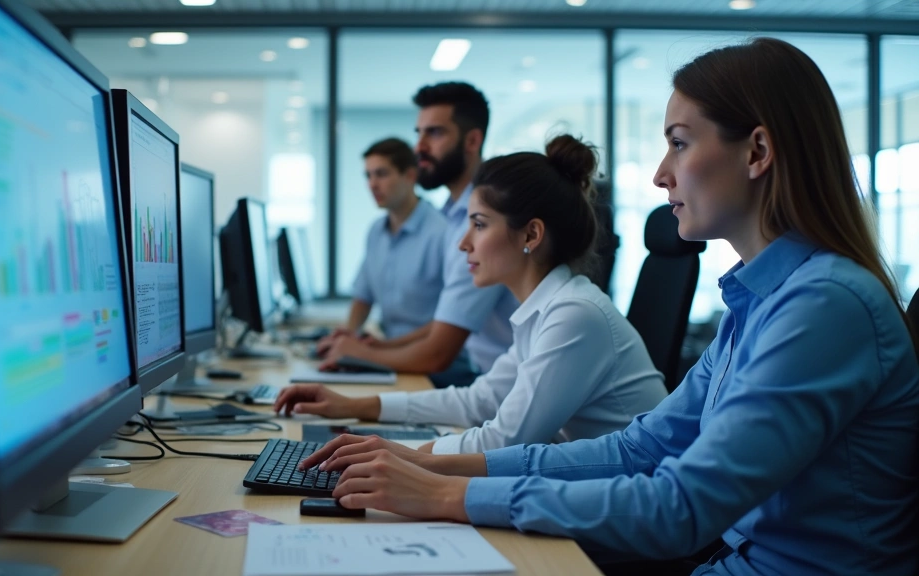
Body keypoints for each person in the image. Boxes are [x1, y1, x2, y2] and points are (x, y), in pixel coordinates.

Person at [296, 38, 919, 575]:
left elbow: (680, 507)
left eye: (679, 144)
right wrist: (435, 468)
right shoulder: (757, 302)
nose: (660, 174)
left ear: (757, 153)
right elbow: (637, 450)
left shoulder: (824, 306)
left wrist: (446, 494)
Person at [277, 135, 666, 454]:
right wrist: (352, 406)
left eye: (479, 225)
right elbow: (478, 401)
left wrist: (396, 453)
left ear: (531, 234)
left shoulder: (573, 315)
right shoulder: (545, 310)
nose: (463, 243)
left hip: (631, 508)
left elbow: (505, 441)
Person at [319, 82, 518, 388]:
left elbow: (438, 352)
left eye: (434, 133)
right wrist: (375, 345)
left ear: (472, 140)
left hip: (497, 385)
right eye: (419, 133)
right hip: (487, 383)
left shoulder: (482, 221)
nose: (419, 147)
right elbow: (443, 321)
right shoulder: (454, 217)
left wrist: (360, 353)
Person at [318, 138, 446, 349]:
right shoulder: (376, 231)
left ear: (410, 176)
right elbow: (363, 297)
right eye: (368, 176)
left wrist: (382, 348)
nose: (372, 184)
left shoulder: (442, 232)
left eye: (381, 174)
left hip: (429, 356)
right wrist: (349, 333)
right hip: (389, 351)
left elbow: (449, 320)